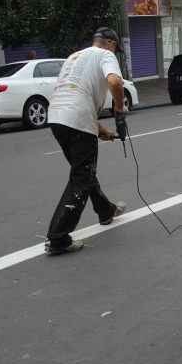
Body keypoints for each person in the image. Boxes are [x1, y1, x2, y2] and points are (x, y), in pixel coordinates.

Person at [44, 27, 129, 254]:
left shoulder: (74, 57)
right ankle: (58, 238)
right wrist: (120, 106)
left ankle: (106, 211)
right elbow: (114, 82)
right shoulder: (106, 55)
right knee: (82, 178)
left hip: (57, 118)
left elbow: (75, 93)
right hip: (76, 119)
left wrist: (98, 127)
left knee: (84, 172)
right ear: (111, 45)